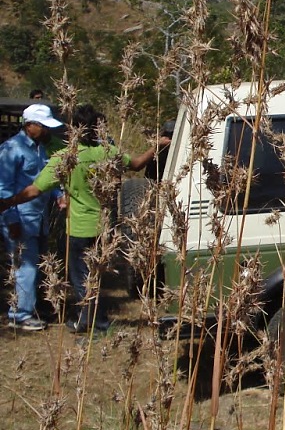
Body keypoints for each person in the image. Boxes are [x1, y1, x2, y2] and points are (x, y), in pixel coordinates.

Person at [0, 104, 170, 334]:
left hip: (78, 228)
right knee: (96, 273)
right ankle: (82, 317)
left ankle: (94, 322)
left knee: (81, 276)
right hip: (102, 226)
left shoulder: (66, 157)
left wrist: (8, 203)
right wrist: (156, 146)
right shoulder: (107, 152)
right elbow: (138, 163)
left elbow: (35, 190)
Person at [0, 104, 64, 330]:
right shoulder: (11, 150)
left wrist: (58, 194)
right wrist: (11, 220)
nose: (47, 131)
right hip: (21, 218)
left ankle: (35, 306)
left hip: (40, 217)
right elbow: (3, 189)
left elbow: (45, 178)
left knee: (37, 263)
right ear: (30, 125)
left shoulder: (41, 149)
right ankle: (19, 314)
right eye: (43, 126)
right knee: (24, 266)